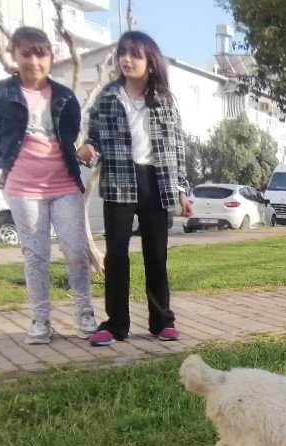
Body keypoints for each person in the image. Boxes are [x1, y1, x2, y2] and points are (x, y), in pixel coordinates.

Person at [0, 26, 96, 345]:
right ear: (14, 55)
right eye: (26, 53)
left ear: (51, 57)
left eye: (41, 53)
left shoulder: (65, 95)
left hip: (64, 183)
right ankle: (41, 320)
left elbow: (69, 134)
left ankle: (85, 313)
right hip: (23, 186)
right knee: (36, 255)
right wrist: (11, 155)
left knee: (76, 251)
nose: (34, 60)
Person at [78, 31, 192, 347]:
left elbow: (176, 147)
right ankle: (115, 325)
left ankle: (162, 322)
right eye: (123, 53)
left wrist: (181, 189)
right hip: (118, 181)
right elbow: (95, 137)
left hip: (155, 182)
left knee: (156, 255)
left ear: (151, 64)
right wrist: (88, 148)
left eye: (135, 54)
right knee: (116, 256)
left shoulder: (165, 101)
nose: (126, 60)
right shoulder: (108, 98)